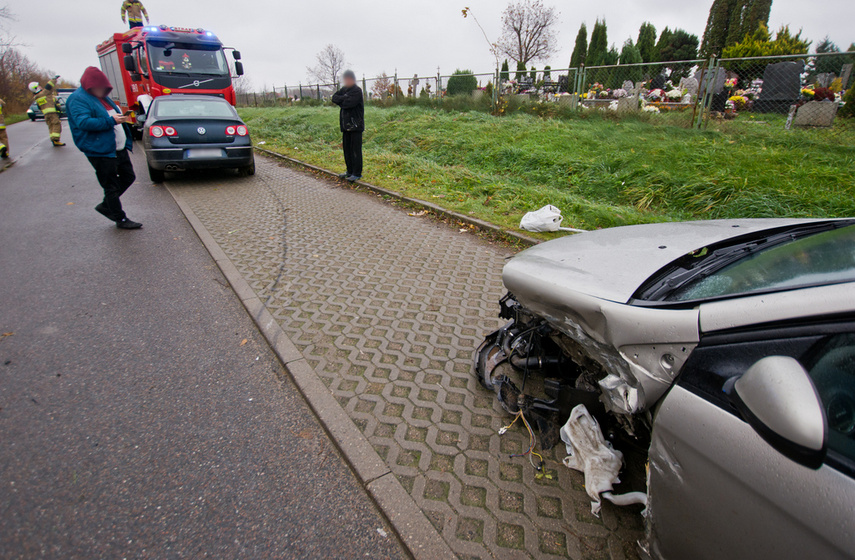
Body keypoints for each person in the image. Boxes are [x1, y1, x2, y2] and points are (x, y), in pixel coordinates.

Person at [66, 67, 142, 230]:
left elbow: (111, 116)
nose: (102, 90)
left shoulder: (103, 98)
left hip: (118, 148)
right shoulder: (78, 99)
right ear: (89, 85)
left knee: (129, 176)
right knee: (111, 186)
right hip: (100, 150)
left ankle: (106, 205)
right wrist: (112, 121)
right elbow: (83, 123)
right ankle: (120, 218)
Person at [331, 70, 364, 182]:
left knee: (355, 150)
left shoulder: (357, 91)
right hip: (345, 125)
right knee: (347, 150)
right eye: (345, 79)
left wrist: (342, 100)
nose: (346, 81)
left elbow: (348, 103)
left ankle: (357, 173)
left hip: (356, 125)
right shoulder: (344, 90)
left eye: (348, 79)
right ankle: (349, 171)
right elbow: (334, 98)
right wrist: (343, 99)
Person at [29, 78, 64, 146]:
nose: (40, 86)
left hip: (46, 114)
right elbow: (49, 86)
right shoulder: (44, 93)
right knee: (56, 125)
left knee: (51, 126)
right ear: (36, 88)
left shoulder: (37, 97)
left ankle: (53, 139)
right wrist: (54, 79)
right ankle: (56, 140)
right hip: (52, 113)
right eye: (38, 86)